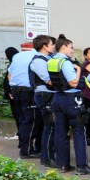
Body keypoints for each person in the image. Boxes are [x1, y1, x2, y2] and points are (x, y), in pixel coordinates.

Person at [45, 35, 90, 175]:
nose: (72, 50)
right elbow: (73, 82)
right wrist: (78, 70)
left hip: (58, 98)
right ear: (64, 47)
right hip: (71, 99)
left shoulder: (51, 61)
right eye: (71, 48)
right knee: (79, 132)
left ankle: (63, 165)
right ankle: (82, 166)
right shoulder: (65, 62)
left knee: (61, 133)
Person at [29, 34, 58, 166]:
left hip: (49, 94)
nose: (53, 46)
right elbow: (49, 81)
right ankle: (46, 158)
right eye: (51, 44)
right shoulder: (38, 61)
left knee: (53, 126)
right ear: (44, 46)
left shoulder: (48, 59)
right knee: (49, 126)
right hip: (44, 95)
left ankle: (51, 156)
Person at [7, 44, 36, 157]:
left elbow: (10, 74)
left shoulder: (17, 56)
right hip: (28, 90)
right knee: (31, 120)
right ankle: (27, 150)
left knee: (22, 119)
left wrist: (12, 87)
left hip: (16, 89)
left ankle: (23, 146)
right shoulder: (36, 56)